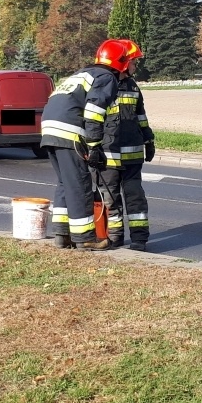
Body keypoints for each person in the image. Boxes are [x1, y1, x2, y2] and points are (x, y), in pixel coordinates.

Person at [40, 39, 133, 250]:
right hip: (69, 131)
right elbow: (94, 112)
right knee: (80, 184)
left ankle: (62, 234)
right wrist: (94, 146)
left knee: (65, 183)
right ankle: (84, 238)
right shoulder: (107, 78)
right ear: (122, 63)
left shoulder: (82, 74)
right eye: (130, 63)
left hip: (49, 129)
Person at [97, 39, 154, 251]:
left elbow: (141, 116)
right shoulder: (102, 86)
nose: (135, 66)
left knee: (135, 197)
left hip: (132, 156)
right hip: (107, 155)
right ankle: (115, 237)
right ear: (123, 63)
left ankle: (139, 239)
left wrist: (148, 139)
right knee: (110, 199)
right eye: (133, 62)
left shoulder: (133, 86)